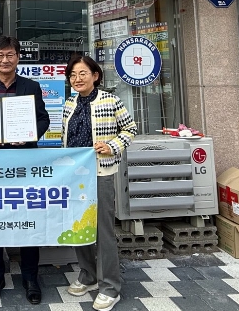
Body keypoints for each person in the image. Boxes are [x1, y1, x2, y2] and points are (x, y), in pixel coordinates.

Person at [0, 36, 50, 305]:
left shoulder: (31, 86)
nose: (5, 60)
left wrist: (28, 136)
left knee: (27, 218)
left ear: (18, 57)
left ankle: (30, 277)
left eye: (10, 55)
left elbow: (43, 119)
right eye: (0, 55)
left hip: (23, 164)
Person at [62, 55, 137, 311]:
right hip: (75, 175)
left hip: (101, 173)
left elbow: (130, 129)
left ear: (95, 75)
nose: (77, 79)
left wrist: (112, 146)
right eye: (73, 75)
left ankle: (110, 287)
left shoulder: (111, 100)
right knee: (79, 226)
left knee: (103, 231)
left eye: (82, 73)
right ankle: (88, 275)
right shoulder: (69, 103)